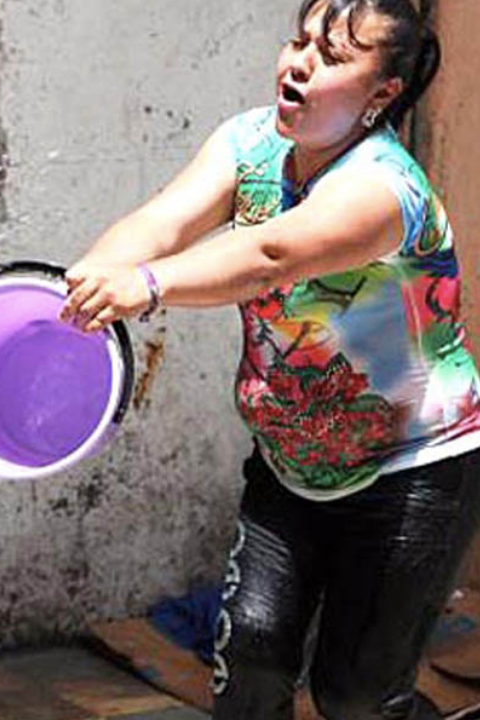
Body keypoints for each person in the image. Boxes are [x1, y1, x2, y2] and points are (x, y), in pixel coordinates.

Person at [59, 1, 480, 718]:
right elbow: (163, 222)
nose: (300, 63)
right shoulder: (246, 143)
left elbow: (270, 255)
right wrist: (83, 290)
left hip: (413, 469)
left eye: (333, 56)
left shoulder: (384, 189)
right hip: (290, 464)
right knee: (250, 659)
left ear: (383, 93)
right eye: (298, 41)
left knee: (355, 697)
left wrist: (148, 286)